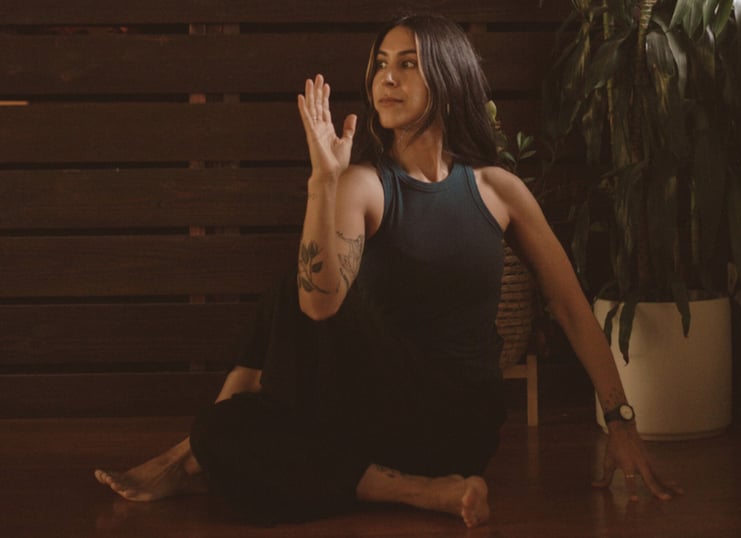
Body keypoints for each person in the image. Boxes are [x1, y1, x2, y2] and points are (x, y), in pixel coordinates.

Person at [94, 14, 682, 528]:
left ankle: (200, 448)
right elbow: (319, 303)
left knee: (232, 417)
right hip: (379, 421)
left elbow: (571, 306)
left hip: (458, 423)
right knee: (237, 404)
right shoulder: (364, 184)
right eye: (380, 64)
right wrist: (324, 183)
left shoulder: (499, 189)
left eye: (407, 64)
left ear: (447, 79)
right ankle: (424, 493)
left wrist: (620, 420)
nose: (387, 78)